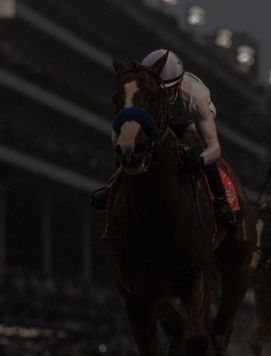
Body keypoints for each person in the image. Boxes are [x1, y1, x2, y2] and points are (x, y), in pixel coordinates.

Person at [90, 49, 236, 225]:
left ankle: (221, 199)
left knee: (190, 136)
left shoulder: (196, 99)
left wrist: (200, 160)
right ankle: (112, 186)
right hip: (163, 118)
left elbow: (214, 148)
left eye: (165, 93)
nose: (162, 97)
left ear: (177, 87)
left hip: (189, 119)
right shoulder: (149, 91)